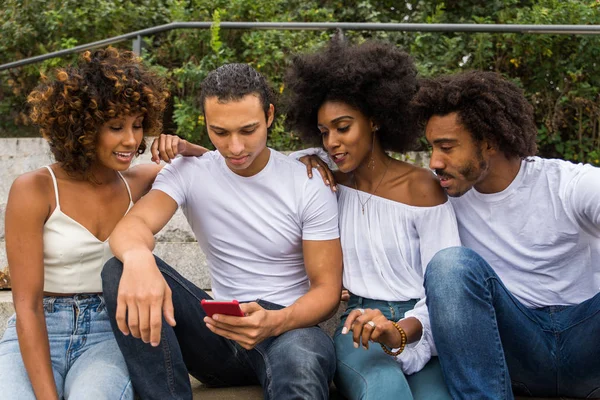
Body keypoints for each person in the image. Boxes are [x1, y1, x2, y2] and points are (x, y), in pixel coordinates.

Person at [100, 63, 343, 400]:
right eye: (221, 132)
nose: (236, 147)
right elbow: (133, 226)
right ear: (205, 122)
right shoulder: (190, 171)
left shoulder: (307, 184)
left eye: (248, 130)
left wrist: (276, 321)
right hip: (217, 333)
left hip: (289, 327)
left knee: (300, 367)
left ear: (269, 116)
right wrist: (140, 259)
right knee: (120, 267)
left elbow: (327, 291)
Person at [0, 47, 206, 400]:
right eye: (115, 127)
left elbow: (220, 168)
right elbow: (27, 306)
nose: (131, 140)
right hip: (39, 328)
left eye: (138, 125)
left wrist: (184, 146)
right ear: (81, 127)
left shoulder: (138, 181)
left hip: (108, 332)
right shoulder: (34, 189)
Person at [283, 40, 459, 399]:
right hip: (358, 326)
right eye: (323, 132)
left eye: (343, 127)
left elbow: (446, 287)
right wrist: (309, 156)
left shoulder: (422, 187)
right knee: (384, 392)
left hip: (423, 324)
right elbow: (262, 164)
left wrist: (401, 330)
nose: (332, 141)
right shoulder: (326, 185)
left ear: (376, 118)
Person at [412, 70, 600, 399]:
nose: (435, 162)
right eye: (432, 148)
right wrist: (311, 164)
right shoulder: (441, 194)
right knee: (450, 265)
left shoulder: (567, 184)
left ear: (489, 142)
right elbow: (377, 179)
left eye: (446, 147)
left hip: (588, 339)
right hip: (516, 346)